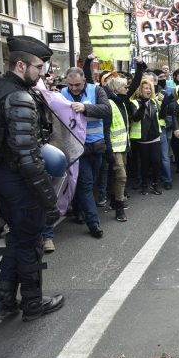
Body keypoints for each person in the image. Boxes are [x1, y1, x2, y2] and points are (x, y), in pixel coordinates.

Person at [0, 35, 64, 321]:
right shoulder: (19, 96)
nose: (43, 73)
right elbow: (27, 156)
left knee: (18, 237)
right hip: (18, 180)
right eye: (38, 67)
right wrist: (50, 201)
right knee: (29, 242)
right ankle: (33, 304)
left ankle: (4, 299)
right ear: (21, 65)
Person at [62, 67, 111, 238]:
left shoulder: (96, 90)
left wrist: (85, 108)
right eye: (70, 85)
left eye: (77, 85)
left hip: (96, 147)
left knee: (88, 183)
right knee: (85, 185)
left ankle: (78, 209)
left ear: (84, 81)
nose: (74, 88)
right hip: (76, 149)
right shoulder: (62, 93)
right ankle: (94, 224)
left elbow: (106, 110)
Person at [130, 78, 162, 195]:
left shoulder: (154, 102)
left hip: (155, 136)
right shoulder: (134, 102)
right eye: (146, 88)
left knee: (156, 161)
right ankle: (144, 185)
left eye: (150, 88)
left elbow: (159, 115)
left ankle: (154, 184)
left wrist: (166, 103)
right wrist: (142, 106)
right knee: (144, 163)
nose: (148, 90)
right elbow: (135, 117)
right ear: (140, 90)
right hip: (143, 138)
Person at [104, 78, 131, 222]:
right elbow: (106, 129)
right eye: (124, 87)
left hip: (122, 146)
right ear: (116, 89)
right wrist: (108, 149)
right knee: (121, 177)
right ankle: (119, 208)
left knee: (116, 177)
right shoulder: (110, 104)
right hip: (114, 147)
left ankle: (114, 201)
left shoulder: (121, 103)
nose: (127, 89)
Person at [145, 71, 173, 190]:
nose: (146, 84)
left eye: (149, 81)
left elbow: (170, 111)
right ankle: (149, 180)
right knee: (149, 158)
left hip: (160, 128)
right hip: (146, 129)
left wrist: (164, 104)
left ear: (155, 82)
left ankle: (167, 179)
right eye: (144, 82)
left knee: (164, 155)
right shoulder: (142, 93)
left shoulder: (162, 93)